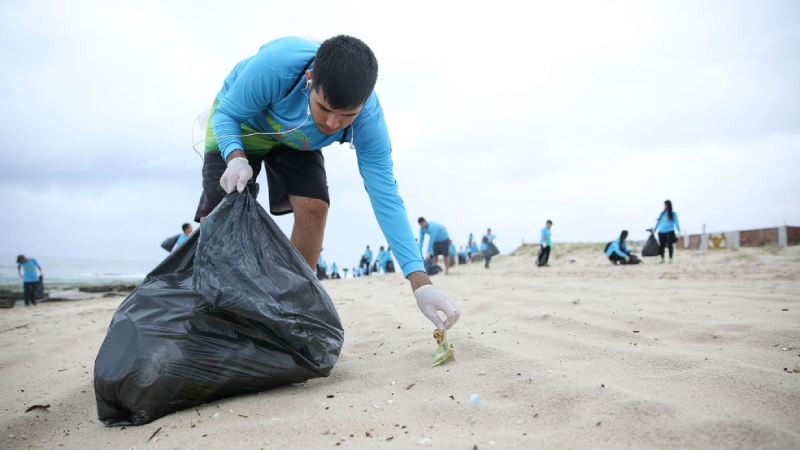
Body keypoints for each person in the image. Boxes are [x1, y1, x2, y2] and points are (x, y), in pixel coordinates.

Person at [193, 35, 459, 331]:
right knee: (218, 218)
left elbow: (386, 196)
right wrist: (235, 157)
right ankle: (217, 315)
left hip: (297, 140)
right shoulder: (274, 66)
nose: (332, 124)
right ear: (309, 80)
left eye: (346, 116)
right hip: (241, 125)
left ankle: (295, 308)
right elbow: (226, 114)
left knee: (315, 206)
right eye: (325, 108)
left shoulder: (368, 120)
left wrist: (420, 283)